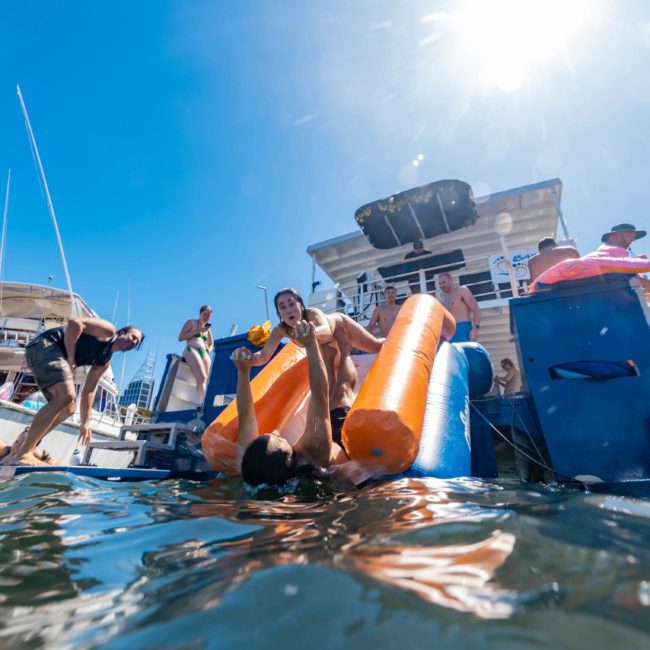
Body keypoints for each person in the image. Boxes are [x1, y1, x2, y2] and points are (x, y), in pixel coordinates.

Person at [3, 319, 144, 466]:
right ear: (122, 332)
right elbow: (74, 323)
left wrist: (85, 423)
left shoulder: (104, 361)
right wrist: (71, 357)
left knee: (68, 409)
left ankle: (23, 446)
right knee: (66, 396)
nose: (134, 342)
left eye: (137, 343)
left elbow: (89, 391)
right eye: (133, 337)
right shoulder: (109, 331)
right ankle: (24, 453)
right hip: (46, 345)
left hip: (50, 355)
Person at [232, 320, 349, 487]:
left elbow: (246, 418)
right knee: (342, 393)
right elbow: (320, 395)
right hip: (340, 454)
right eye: (277, 439)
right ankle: (345, 350)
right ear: (288, 460)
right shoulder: (313, 453)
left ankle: (329, 356)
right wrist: (311, 344)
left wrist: (243, 371)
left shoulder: (252, 466)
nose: (276, 431)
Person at [251, 288, 383, 416]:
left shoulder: (312, 313)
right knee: (329, 378)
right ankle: (332, 413)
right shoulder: (281, 329)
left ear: (301, 305)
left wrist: (310, 332)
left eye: (291, 304)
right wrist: (251, 359)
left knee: (374, 346)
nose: (288, 310)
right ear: (279, 312)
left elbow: (326, 330)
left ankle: (394, 340)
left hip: (340, 326)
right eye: (283, 307)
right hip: (322, 343)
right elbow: (264, 355)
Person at [178, 305, 214, 402]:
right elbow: (180, 337)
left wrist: (208, 349)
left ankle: (205, 402)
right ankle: (203, 405)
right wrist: (198, 330)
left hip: (203, 352)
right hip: (191, 348)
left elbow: (211, 344)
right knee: (202, 377)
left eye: (208, 316)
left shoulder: (208, 329)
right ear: (200, 313)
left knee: (208, 380)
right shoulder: (191, 322)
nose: (206, 317)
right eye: (204, 314)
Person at [437, 272, 481, 342]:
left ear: (451, 280)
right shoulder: (444, 300)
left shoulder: (461, 291)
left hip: (464, 330)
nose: (442, 285)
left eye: (443, 282)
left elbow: (476, 310)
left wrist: (476, 329)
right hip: (450, 334)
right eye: (440, 284)